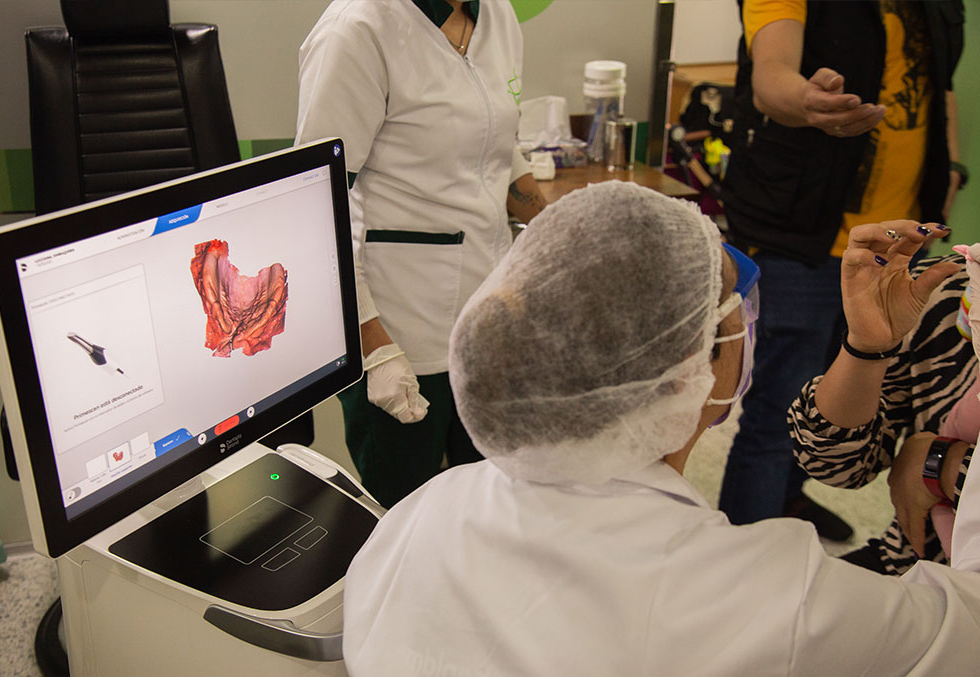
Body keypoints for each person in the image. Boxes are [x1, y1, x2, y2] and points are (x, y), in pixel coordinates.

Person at [341, 182, 980, 675]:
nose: (748, 322)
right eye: (732, 305)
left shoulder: (422, 512)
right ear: (688, 372)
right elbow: (965, 633)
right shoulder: (773, 601)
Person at [718, 0, 966, 536]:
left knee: (835, 405)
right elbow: (771, 78)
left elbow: (938, 86)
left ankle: (789, 500)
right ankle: (744, 560)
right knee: (776, 417)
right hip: (802, 236)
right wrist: (807, 100)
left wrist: (952, 168)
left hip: (898, 243)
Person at [294, 0, 546, 508]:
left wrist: (558, 234)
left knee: (492, 506)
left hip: (488, 320)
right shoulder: (357, 30)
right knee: (405, 516)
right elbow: (315, 204)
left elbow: (497, 136)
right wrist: (375, 348)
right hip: (399, 325)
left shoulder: (496, 15)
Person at [788, 226, 975, 574]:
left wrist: (942, 465)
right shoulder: (948, 287)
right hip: (915, 565)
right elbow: (835, 464)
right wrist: (866, 347)